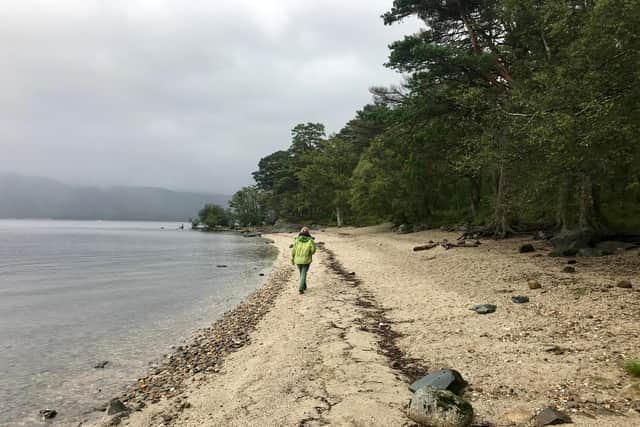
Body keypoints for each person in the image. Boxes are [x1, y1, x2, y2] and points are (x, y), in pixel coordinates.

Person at [291, 227, 316, 294]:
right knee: (303, 273)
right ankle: (301, 288)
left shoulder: (297, 240)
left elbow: (293, 251)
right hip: (306, 260)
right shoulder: (310, 240)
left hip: (297, 260)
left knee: (302, 273)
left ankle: (304, 286)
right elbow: (313, 251)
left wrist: (292, 259)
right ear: (308, 233)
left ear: (300, 232)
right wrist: (313, 246)